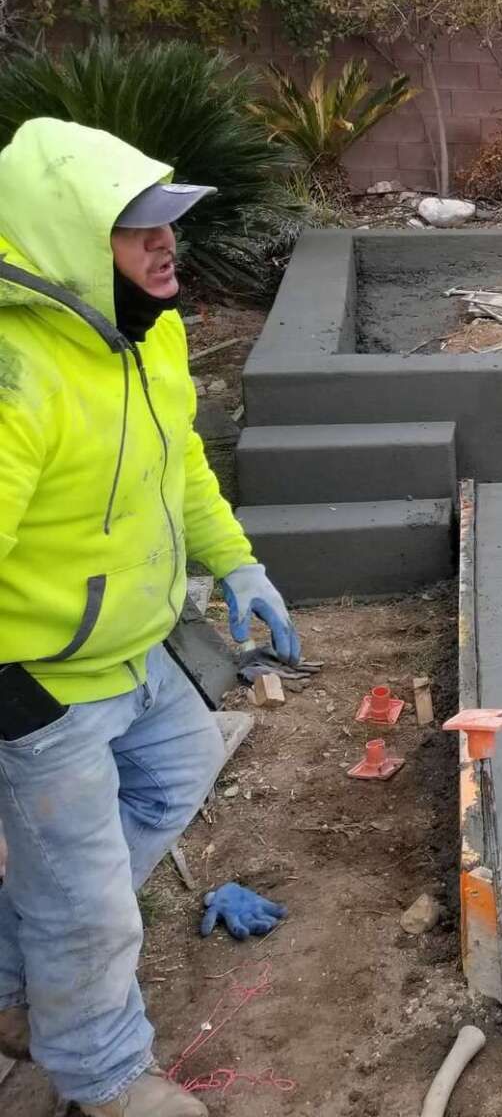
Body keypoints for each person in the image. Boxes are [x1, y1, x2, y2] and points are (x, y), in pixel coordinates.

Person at [0, 118, 300, 1117]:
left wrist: (239, 563)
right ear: (69, 242)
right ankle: (107, 1078)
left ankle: (14, 967)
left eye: (168, 221)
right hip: (41, 682)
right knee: (87, 906)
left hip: (136, 651)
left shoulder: (148, 331)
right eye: (136, 229)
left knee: (174, 777)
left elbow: (182, 468)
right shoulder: (17, 375)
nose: (166, 244)